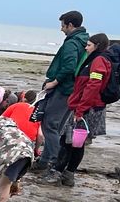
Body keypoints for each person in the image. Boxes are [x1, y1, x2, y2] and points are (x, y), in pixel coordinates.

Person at [47, 33, 112, 187]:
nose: (86, 47)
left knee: (74, 142)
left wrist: (81, 109)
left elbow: (93, 86)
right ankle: (63, 172)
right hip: (82, 106)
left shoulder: (98, 61)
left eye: (89, 45)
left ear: (97, 46)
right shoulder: (94, 60)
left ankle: (63, 173)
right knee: (70, 141)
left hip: (87, 109)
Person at [35, 11, 88, 172]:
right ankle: (45, 160)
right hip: (73, 90)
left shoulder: (72, 43)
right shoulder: (83, 40)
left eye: (62, 25)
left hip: (64, 89)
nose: (61, 29)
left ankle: (52, 161)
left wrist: (54, 82)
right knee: (56, 126)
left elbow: (69, 66)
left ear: (70, 25)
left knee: (49, 124)